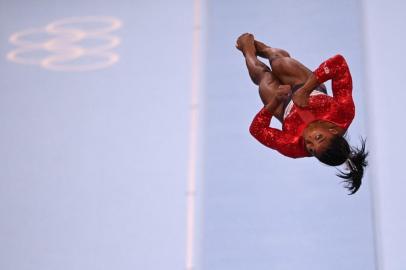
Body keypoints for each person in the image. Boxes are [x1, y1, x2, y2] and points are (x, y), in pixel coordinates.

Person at [236, 33, 368, 194]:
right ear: (333, 131)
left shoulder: (293, 148)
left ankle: (247, 50)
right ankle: (269, 51)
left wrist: (276, 101)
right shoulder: (343, 113)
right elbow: (338, 64)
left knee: (264, 78)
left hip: (283, 107)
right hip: (306, 87)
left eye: (310, 148)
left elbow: (257, 130)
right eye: (319, 137)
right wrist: (305, 90)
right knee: (280, 63)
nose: (309, 138)